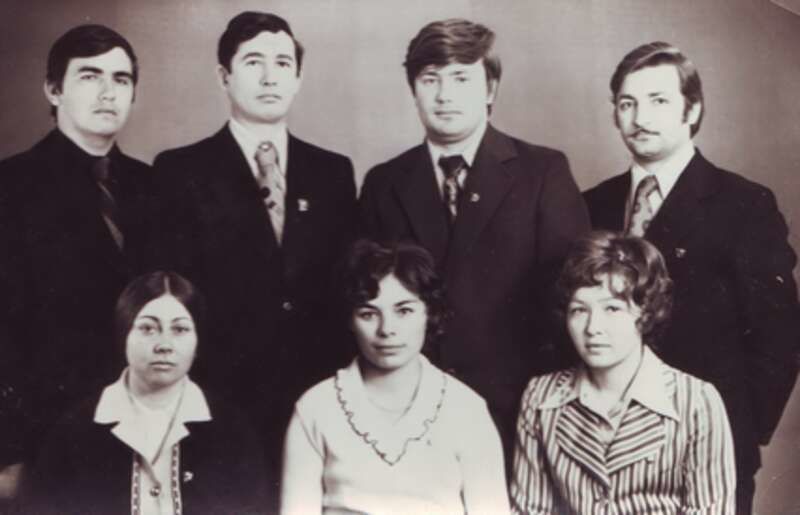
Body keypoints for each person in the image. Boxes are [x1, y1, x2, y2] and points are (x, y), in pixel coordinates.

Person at [358, 18, 589, 466]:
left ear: (490, 88)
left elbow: (570, 298)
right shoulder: (384, 183)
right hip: (408, 409)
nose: (445, 95)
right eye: (431, 79)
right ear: (413, 90)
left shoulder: (542, 172)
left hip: (517, 407)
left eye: (461, 78)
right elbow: (364, 302)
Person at [583, 41, 800, 514]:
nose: (640, 117)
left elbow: (780, 335)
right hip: (607, 448)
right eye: (627, 103)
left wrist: (738, 428)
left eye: (658, 100)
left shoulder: (743, 204)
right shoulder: (591, 204)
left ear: (692, 109)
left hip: (707, 448)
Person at [149, 10, 357, 488]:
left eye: (283, 63)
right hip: (221, 391)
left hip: (317, 390)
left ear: (298, 77)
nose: (269, 77)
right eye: (253, 62)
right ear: (224, 75)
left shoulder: (333, 172)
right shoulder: (180, 170)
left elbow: (345, 285)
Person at [0, 24, 152, 497]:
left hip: (146, 427)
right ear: (53, 89)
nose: (108, 92)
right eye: (90, 76)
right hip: (46, 435)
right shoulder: (11, 186)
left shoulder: (156, 185)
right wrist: (8, 450)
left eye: (121, 79)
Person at [511, 231, 736, 513]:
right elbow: (530, 509)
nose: (593, 328)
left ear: (646, 313)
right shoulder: (541, 397)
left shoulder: (696, 402)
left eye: (612, 309)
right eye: (579, 310)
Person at [280, 240, 509, 514]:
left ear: (429, 313)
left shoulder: (467, 409)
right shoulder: (316, 408)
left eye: (404, 311)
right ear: (350, 321)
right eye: (368, 314)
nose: (387, 329)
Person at [22, 271, 267, 514]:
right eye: (148, 328)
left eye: (180, 329)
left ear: (197, 341)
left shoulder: (231, 431)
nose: (164, 345)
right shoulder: (75, 431)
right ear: (124, 335)